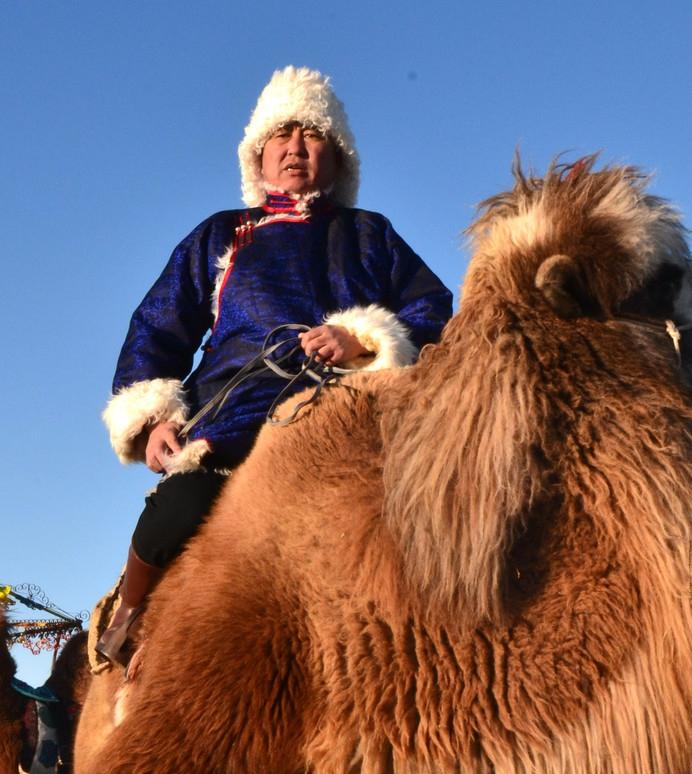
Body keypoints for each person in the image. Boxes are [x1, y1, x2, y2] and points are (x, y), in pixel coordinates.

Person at [97, 66, 453, 664]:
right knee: (174, 516)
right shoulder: (223, 234)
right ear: (258, 157)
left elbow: (436, 313)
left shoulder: (371, 235)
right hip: (231, 414)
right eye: (281, 136)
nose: (295, 147)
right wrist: (153, 417)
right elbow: (159, 324)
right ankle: (128, 618)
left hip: (347, 415)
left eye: (312, 135)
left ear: (337, 158)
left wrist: (363, 339)